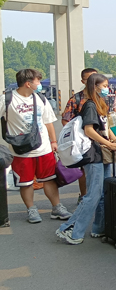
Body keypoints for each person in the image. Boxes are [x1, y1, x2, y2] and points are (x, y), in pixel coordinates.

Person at [56, 73, 116, 244]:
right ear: (95, 86)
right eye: (104, 86)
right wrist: (108, 144)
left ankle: (99, 228)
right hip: (93, 154)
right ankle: (72, 230)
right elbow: (89, 130)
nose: (107, 89)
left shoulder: (100, 103)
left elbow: (105, 127)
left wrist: (115, 141)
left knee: (102, 193)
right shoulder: (90, 105)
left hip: (101, 153)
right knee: (93, 194)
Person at [0, 69, 72, 224]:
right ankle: (31, 209)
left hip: (43, 148)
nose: (39, 84)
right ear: (28, 83)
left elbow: (48, 122)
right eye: (37, 81)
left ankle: (57, 207)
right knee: (26, 182)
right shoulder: (7, 99)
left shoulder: (40, 98)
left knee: (50, 179)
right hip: (21, 150)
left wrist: (53, 141)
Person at [61, 67, 98, 199]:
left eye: (95, 78)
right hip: (84, 142)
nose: (93, 82)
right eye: (89, 79)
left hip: (99, 140)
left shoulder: (101, 97)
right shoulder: (76, 99)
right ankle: (84, 196)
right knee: (84, 171)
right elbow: (65, 120)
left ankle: (98, 198)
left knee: (99, 171)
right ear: (83, 81)